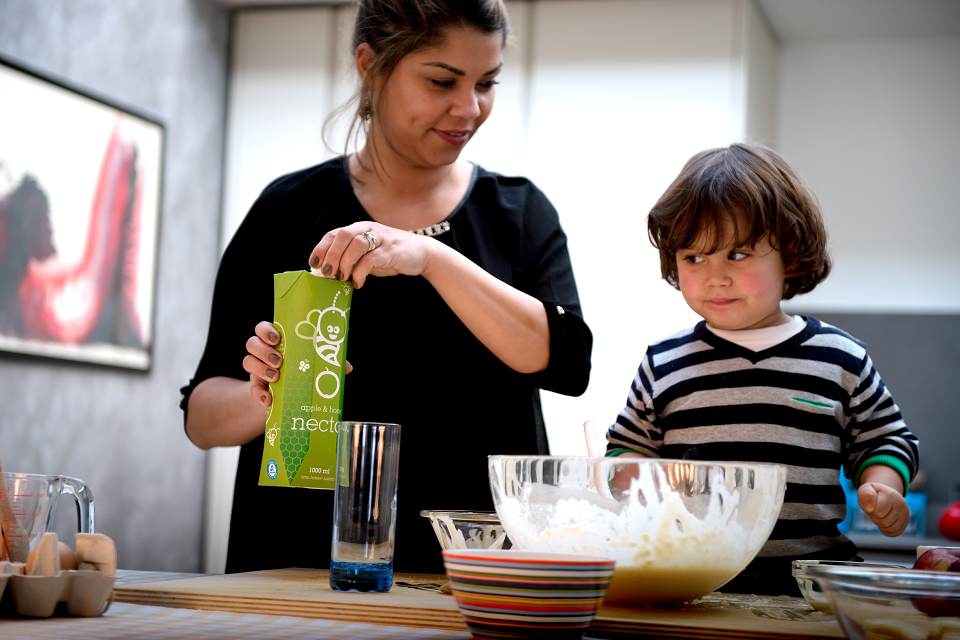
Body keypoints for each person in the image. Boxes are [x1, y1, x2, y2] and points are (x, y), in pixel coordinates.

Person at [181, 0, 592, 575]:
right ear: (370, 67)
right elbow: (201, 416)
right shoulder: (288, 209)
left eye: (487, 83)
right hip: (297, 568)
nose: (468, 108)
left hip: (473, 575)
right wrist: (266, 397)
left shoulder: (518, 214)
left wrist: (429, 257)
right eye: (442, 81)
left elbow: (568, 362)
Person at [605, 142, 919, 596]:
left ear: (789, 254)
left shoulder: (839, 357)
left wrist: (884, 489)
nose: (715, 275)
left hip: (812, 588)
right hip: (695, 585)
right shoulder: (663, 363)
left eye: (737, 254)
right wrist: (630, 477)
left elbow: (885, 439)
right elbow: (626, 451)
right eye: (694, 257)